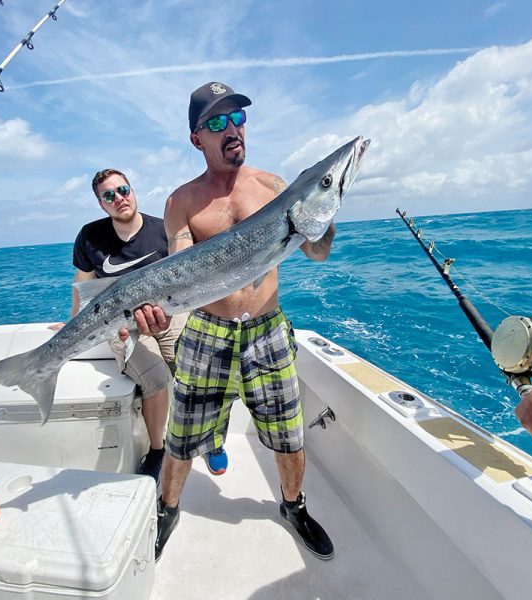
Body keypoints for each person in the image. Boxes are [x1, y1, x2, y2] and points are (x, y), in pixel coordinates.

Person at [128, 82, 336, 562]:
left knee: (289, 433)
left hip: (267, 329)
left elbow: (318, 253)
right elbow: (178, 266)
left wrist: (325, 213)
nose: (232, 130)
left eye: (237, 118)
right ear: (197, 138)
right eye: (217, 123)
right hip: (205, 331)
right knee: (182, 437)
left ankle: (293, 506)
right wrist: (156, 307)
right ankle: (169, 506)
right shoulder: (183, 200)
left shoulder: (274, 187)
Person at [69, 168, 227, 482]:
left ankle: (209, 438)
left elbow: (190, 278)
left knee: (197, 369)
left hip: (167, 315)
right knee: (156, 377)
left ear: (133, 190)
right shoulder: (89, 236)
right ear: (101, 204)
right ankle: (158, 449)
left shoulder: (163, 230)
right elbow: (82, 285)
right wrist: (71, 325)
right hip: (122, 324)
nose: (119, 199)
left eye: (123, 190)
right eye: (109, 196)